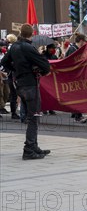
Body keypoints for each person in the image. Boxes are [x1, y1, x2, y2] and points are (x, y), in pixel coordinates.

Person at [0, 24, 51, 160]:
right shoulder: (28, 47)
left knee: (30, 116)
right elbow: (46, 66)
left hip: (20, 85)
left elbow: (4, 62)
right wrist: (40, 71)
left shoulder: (14, 47)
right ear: (31, 34)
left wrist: (16, 70)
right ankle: (29, 149)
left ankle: (33, 146)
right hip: (30, 85)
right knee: (33, 117)